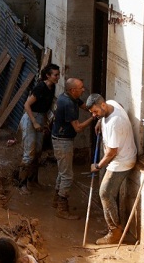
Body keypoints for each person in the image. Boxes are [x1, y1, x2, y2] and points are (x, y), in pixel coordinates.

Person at [86, 93, 137, 244]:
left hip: (121, 161)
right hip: (119, 156)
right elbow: (119, 105)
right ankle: (114, 225)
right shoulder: (110, 103)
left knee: (105, 193)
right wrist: (100, 122)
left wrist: (97, 166)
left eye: (95, 112)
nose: (94, 115)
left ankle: (114, 232)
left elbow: (111, 152)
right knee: (109, 193)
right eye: (92, 113)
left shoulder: (115, 123)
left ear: (102, 105)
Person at [51, 77, 95, 219]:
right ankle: (62, 209)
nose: (83, 90)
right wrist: (94, 118)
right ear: (73, 90)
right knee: (67, 176)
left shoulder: (68, 97)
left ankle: (56, 201)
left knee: (62, 172)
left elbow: (83, 106)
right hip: (63, 141)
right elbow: (78, 128)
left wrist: (94, 108)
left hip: (59, 139)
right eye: (81, 88)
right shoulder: (68, 103)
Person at [18, 64, 60, 194]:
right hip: (31, 117)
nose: (58, 77)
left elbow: (46, 107)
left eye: (58, 74)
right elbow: (27, 105)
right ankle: (21, 185)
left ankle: (33, 181)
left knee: (37, 152)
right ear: (48, 75)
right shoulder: (40, 87)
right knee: (29, 153)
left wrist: (45, 122)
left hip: (41, 117)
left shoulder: (52, 87)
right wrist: (35, 122)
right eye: (55, 75)